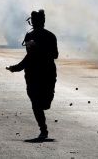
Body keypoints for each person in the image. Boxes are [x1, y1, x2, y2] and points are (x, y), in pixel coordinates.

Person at [7, 10, 59, 139]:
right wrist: (16, 68)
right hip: (34, 75)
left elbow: (54, 55)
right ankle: (43, 129)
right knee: (36, 103)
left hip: (46, 73)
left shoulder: (49, 36)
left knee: (44, 103)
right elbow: (29, 57)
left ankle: (43, 127)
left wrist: (39, 50)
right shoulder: (33, 36)